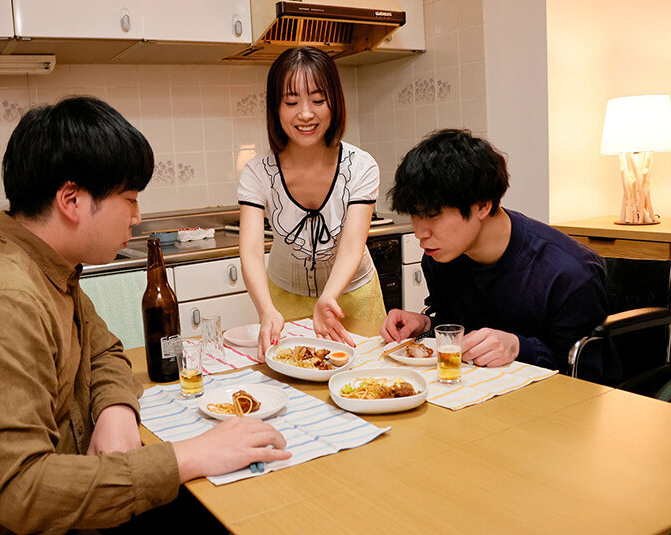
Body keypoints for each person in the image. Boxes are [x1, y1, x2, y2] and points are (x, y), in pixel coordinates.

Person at [0, 96, 291, 535]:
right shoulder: (0, 301)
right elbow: (22, 492)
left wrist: (115, 410)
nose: (137, 217)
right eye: (129, 199)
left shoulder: (46, 265)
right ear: (72, 200)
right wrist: (192, 455)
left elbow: (104, 351)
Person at [380, 128, 607, 374]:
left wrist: (518, 347)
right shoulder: (440, 258)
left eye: (433, 215)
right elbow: (460, 330)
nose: (420, 232)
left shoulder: (568, 273)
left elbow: (586, 375)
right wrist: (426, 324)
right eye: (414, 215)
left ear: (483, 206)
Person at [238, 46, 386, 358]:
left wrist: (328, 297)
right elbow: (250, 250)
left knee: (367, 378)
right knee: (294, 377)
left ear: (335, 102)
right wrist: (266, 309)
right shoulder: (257, 172)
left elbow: (352, 246)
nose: (305, 114)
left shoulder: (361, 166)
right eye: (291, 102)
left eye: (318, 100)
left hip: (351, 299)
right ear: (276, 108)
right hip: (283, 301)